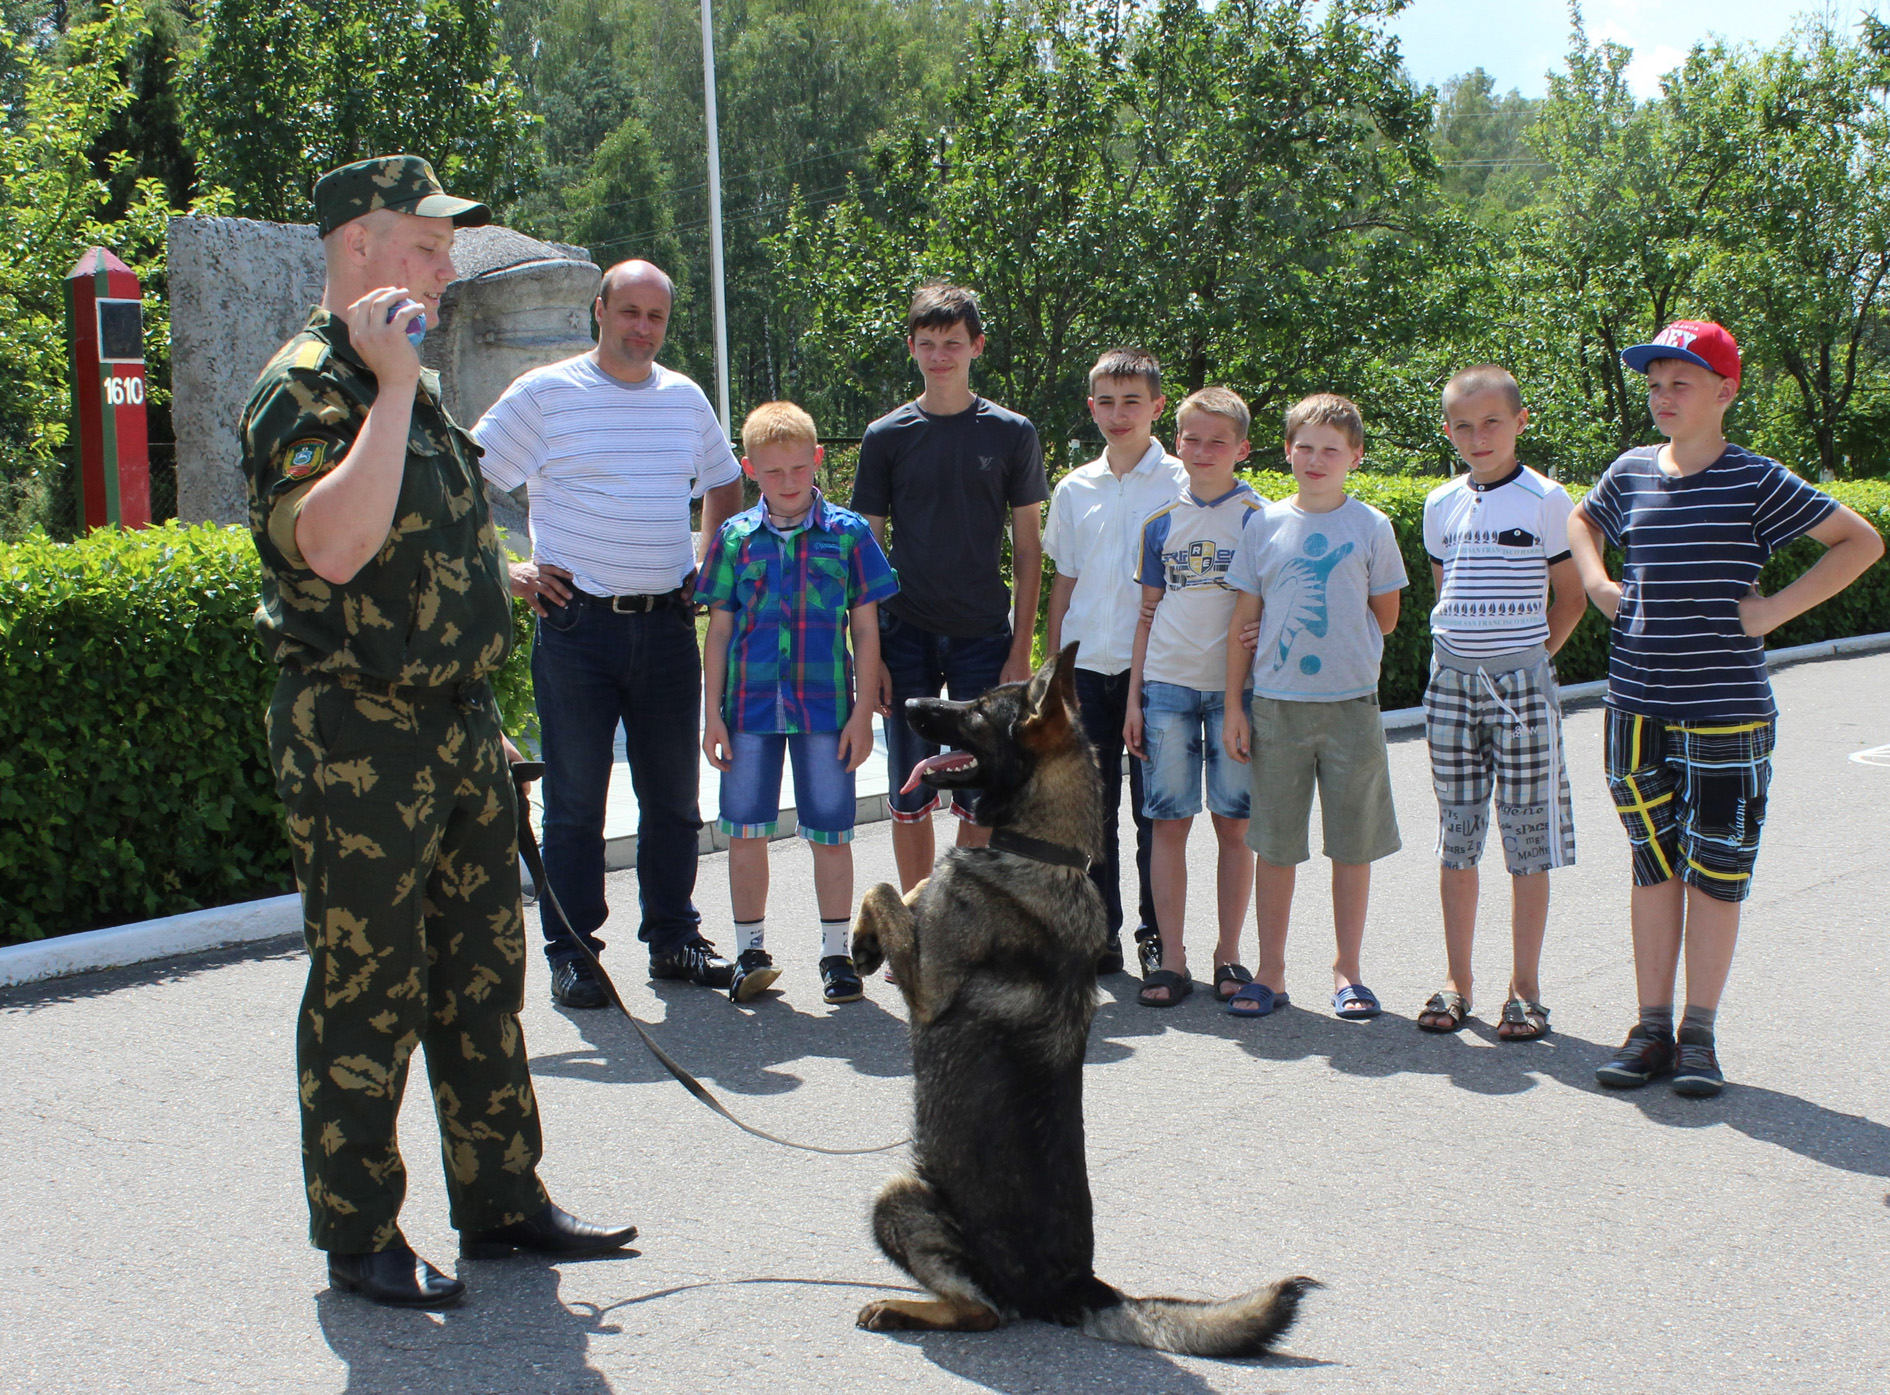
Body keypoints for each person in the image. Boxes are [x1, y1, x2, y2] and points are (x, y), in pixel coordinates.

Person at [243, 155, 635, 1309]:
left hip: (455, 725)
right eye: (423, 243)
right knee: (370, 985)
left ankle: (503, 1199)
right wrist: (398, 384)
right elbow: (331, 546)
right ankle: (360, 1231)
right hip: (358, 734)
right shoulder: (314, 386)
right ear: (358, 245)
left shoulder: (392, 376)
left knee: (480, 974)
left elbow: (411, 536)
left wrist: (486, 580)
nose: (445, 264)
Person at [1567, 320, 1883, 1097]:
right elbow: (1581, 521)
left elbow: (1859, 540)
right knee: (1653, 863)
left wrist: (1772, 612)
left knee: (1716, 871)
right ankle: (1649, 1029)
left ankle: (1698, 1033)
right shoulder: (1631, 471)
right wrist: (1600, 584)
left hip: (1727, 710)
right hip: (1636, 703)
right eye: (1653, 383)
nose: (1662, 396)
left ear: (1725, 391)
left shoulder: (1754, 479)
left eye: (1681, 382)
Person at [474, 258, 745, 1008]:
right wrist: (510, 570)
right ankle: (572, 952)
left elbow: (725, 484)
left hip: (663, 627)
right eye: (629, 312)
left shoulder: (684, 399)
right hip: (576, 628)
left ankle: (674, 938)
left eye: (656, 316)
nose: (643, 329)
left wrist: (706, 556)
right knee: (574, 802)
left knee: (672, 798)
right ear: (599, 310)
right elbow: (458, 482)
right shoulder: (546, 394)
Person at [696, 402, 899, 1005]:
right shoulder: (734, 538)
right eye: (772, 470)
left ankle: (837, 956)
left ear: (817, 460)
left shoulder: (849, 534)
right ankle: (750, 951)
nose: (788, 482)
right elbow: (720, 632)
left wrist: (863, 712)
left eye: (797, 469)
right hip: (749, 712)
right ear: (749, 468)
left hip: (826, 710)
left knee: (831, 833)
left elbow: (865, 630)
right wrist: (711, 715)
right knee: (745, 832)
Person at [850, 284, 1050, 895]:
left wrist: (1020, 649)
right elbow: (865, 554)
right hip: (904, 636)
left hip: (984, 638)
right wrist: (873, 656)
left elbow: (1027, 548)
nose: (941, 355)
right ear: (911, 348)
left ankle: (958, 916)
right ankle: (914, 920)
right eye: (929, 344)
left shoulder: (1011, 432)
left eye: (953, 344)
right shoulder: (886, 436)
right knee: (911, 790)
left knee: (981, 789)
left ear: (976, 347)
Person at [1414, 366, 1589, 1041]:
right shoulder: (1439, 503)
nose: (1477, 435)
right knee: (1457, 836)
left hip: (1521, 686)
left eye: (1491, 422)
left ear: (1519, 422)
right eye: (1463, 424)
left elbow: (1569, 600)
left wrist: (1529, 663)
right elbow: (1443, 591)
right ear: (1449, 430)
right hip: (1450, 685)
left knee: (1526, 838)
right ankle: (1458, 981)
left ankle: (1526, 987)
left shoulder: (1547, 499)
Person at [1221, 393, 1408, 1020]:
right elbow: (1242, 621)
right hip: (1276, 707)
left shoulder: (1371, 526)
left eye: (1332, 448)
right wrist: (1234, 708)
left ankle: (1347, 970)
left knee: (1351, 846)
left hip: (1351, 706)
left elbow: (1386, 617)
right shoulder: (1264, 525)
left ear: (1355, 456)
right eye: (1305, 446)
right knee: (1275, 845)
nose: (1317, 458)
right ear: (1287, 450)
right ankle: (1270, 970)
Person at [1043, 348, 1184, 975]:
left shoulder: (1184, 482)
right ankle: (1099, 931)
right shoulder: (1075, 488)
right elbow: (1064, 583)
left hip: (1155, 671)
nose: (1118, 413)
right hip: (1087, 672)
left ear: (1157, 406)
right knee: (1090, 814)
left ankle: (1157, 936)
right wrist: (1053, 670)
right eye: (1106, 401)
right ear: (1091, 406)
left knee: (1152, 812)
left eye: (1133, 401)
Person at [1123, 387, 1262, 1007]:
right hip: (1167, 688)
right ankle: (1172, 958)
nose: (1203, 451)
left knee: (1234, 827)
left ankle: (1229, 953)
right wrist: (1134, 698)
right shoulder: (1159, 523)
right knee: (1168, 824)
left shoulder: (1263, 519)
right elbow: (1146, 615)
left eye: (1218, 440)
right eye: (1192, 438)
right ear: (1176, 441)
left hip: (1240, 694)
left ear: (1243, 448)